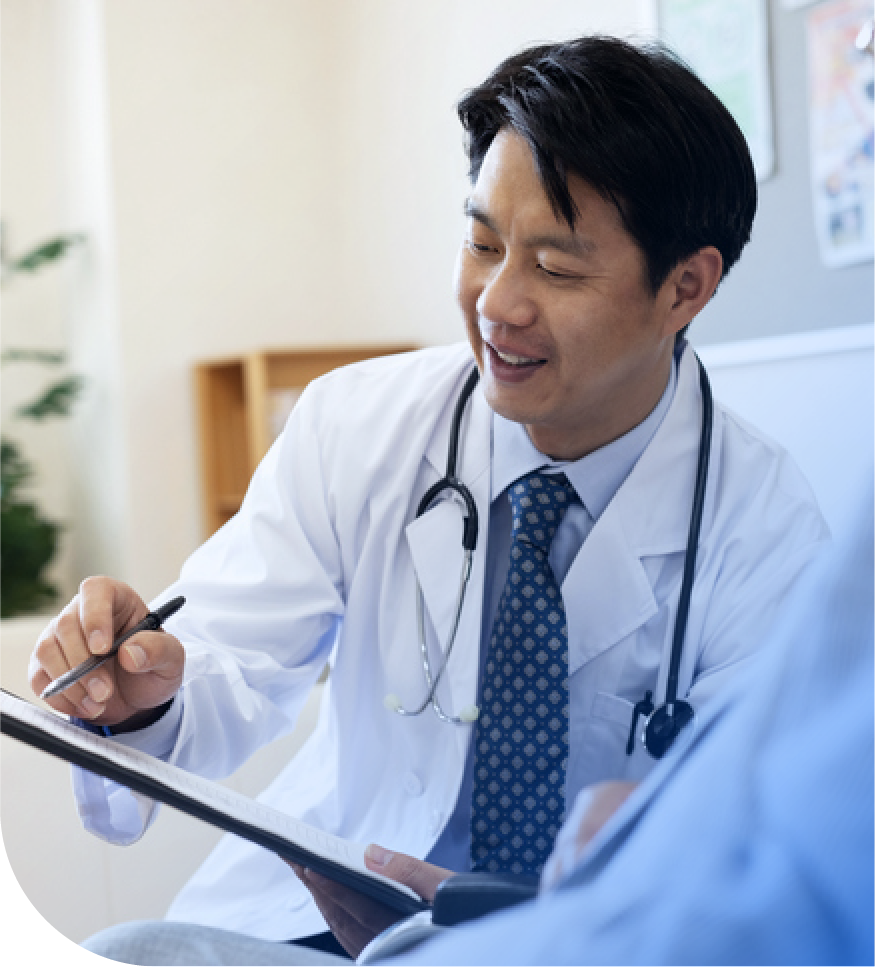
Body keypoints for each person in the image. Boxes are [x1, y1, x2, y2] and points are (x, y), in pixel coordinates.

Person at [29, 35, 827, 966]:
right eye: (482, 242)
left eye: (557, 268)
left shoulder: (766, 532)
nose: (496, 302)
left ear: (685, 287)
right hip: (314, 921)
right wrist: (139, 695)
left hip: (584, 949)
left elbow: (759, 868)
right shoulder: (356, 426)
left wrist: (499, 936)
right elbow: (225, 662)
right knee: (129, 948)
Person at [386, 478, 875, 966]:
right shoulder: (365, 429)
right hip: (363, 908)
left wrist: (650, 840)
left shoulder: (774, 529)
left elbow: (762, 905)